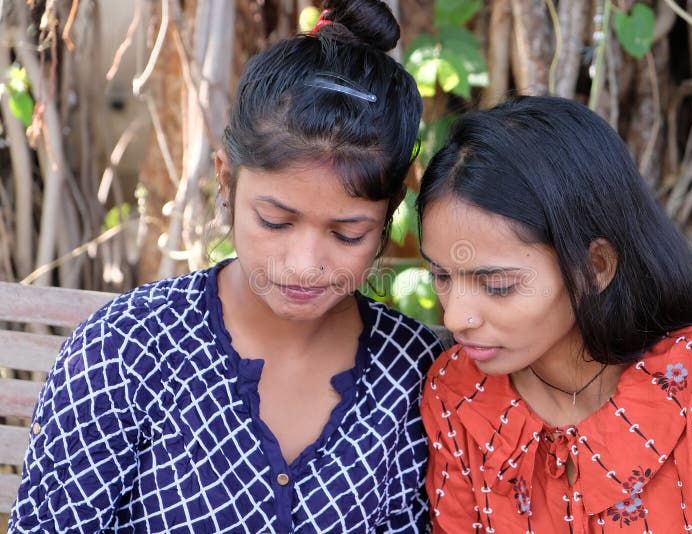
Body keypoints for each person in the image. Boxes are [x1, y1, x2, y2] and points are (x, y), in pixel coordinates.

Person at [10, 1, 442, 532]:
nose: (304, 265)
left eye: (347, 233)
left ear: (389, 213)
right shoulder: (124, 349)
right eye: (275, 222)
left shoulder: (416, 375)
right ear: (227, 181)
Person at [417, 96, 692, 532]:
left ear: (595, 267)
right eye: (441, 276)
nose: (455, 317)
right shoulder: (458, 391)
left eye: (497, 284)